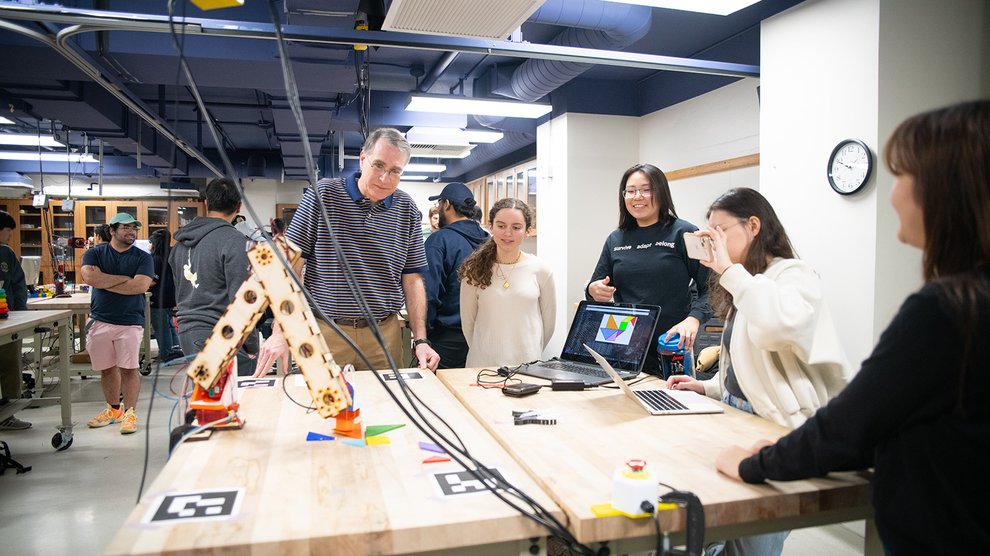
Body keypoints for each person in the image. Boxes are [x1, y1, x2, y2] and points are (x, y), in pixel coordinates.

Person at [715, 100, 990, 554]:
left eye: (902, 176)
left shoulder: (945, 310)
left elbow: (853, 425)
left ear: (945, 190)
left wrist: (754, 465)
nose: (893, 193)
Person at [666, 188, 852, 556]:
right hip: (739, 416)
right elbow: (746, 363)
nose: (713, 243)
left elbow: (775, 330)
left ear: (754, 225)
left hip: (774, 427)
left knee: (755, 541)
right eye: (709, 234)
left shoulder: (793, 275)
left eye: (721, 232)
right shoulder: (747, 281)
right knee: (726, 529)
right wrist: (709, 387)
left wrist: (729, 271)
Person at [254, 128, 440, 374]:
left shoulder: (406, 209)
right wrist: (280, 330)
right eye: (378, 166)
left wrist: (421, 340)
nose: (385, 178)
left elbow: (413, 279)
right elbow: (290, 268)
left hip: (384, 334)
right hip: (327, 330)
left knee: (384, 407)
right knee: (324, 408)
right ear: (363, 159)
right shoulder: (323, 195)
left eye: (395, 171)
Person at [586, 163, 711, 375]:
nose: (638, 197)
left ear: (662, 193)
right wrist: (594, 290)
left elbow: (712, 288)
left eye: (646, 190)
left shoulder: (687, 232)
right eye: (631, 191)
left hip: (670, 342)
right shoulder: (615, 238)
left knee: (671, 402)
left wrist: (694, 319)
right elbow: (594, 287)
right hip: (623, 342)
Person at [170, 177, 257, 375]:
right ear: (239, 206)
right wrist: (252, 345)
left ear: (206, 202)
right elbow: (242, 300)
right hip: (221, 334)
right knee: (234, 402)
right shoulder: (235, 242)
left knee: (207, 401)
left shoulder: (180, 244)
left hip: (187, 333)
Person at [80, 213, 154, 435]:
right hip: (100, 319)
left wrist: (106, 280)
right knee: (106, 369)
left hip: (130, 320)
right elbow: (91, 279)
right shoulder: (94, 253)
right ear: (112, 230)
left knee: (130, 369)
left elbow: (140, 286)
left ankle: (130, 414)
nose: (131, 232)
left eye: (134, 228)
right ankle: (113, 410)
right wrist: (125, 278)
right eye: (126, 228)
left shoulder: (143, 258)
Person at [459, 198, 555, 368]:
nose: (507, 233)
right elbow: (468, 325)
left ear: (528, 231)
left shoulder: (541, 270)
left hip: (528, 366)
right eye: (501, 226)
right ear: (491, 227)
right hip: (482, 365)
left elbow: (548, 324)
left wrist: (531, 352)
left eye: (516, 227)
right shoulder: (473, 271)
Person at [423, 182, 488, 368]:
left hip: (447, 339)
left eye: (439, 204)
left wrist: (423, 337)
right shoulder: (489, 241)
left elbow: (428, 293)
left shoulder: (439, 241)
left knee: (442, 394)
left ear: (447, 205)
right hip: (482, 337)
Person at [0, 210, 30, 430]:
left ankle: (7, 413)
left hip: (7, 318)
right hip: (8, 317)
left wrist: (19, 313)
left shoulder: (6, 254)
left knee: (10, 362)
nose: (9, 236)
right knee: (9, 363)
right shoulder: (6, 252)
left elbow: (18, 284)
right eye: (8, 231)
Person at [148, 229, 182, 363]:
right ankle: (175, 349)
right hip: (170, 296)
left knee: (161, 326)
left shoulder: (156, 258)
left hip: (158, 297)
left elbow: (153, 280)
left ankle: (166, 353)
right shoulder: (171, 254)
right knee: (168, 324)